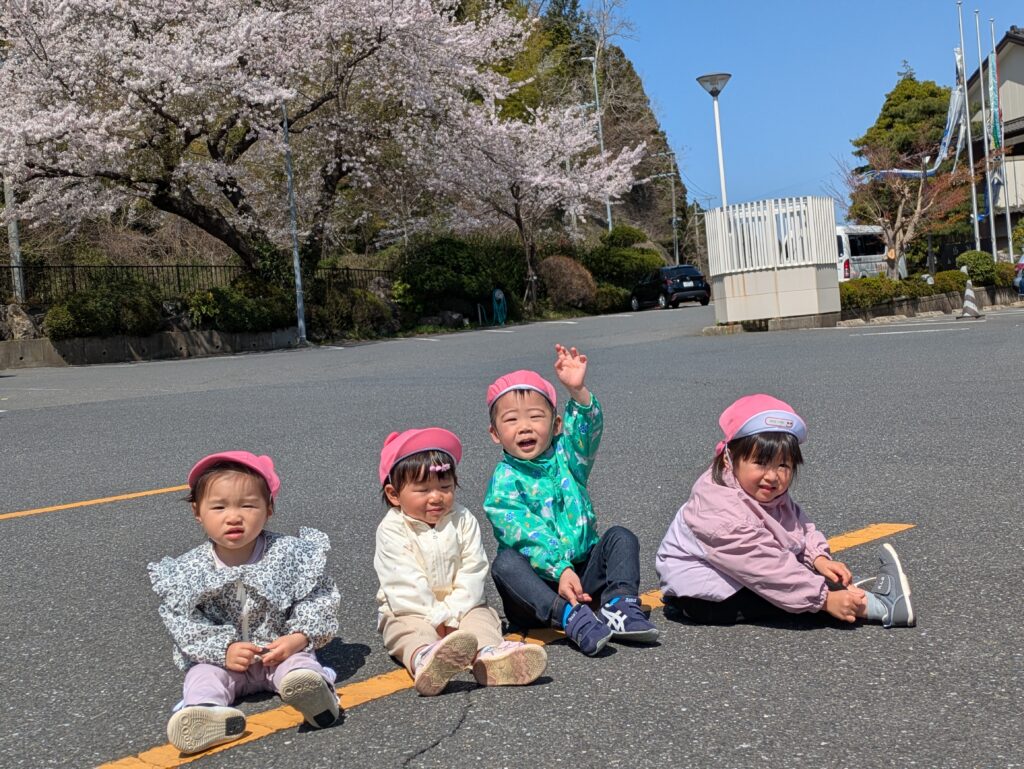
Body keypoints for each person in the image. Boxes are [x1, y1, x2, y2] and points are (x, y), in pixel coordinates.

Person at [656, 394, 915, 628]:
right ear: (729, 458)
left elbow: (797, 524)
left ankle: (853, 591)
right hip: (702, 596)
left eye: (783, 465)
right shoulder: (721, 512)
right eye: (760, 463)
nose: (772, 476)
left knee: (805, 579)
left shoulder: (757, 489)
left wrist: (818, 558)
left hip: (735, 572)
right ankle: (882, 607)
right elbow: (768, 571)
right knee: (787, 597)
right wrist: (825, 600)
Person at [148, 452, 341, 755]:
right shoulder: (189, 570)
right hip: (224, 661)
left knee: (300, 665)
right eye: (219, 507)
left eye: (248, 505)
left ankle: (315, 695)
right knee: (202, 676)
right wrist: (221, 650)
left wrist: (299, 637)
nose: (234, 516)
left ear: (269, 509)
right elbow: (183, 622)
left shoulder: (288, 554)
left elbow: (317, 597)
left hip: (278, 651)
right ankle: (205, 712)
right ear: (198, 512)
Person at [484, 345, 659, 657]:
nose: (524, 426)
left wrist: (577, 392)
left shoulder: (568, 458)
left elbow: (586, 435)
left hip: (582, 573)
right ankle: (569, 617)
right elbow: (527, 534)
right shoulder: (504, 483)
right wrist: (560, 569)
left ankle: (619, 605)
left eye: (536, 417)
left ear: (556, 425)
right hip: (539, 589)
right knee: (506, 564)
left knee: (620, 537)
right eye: (511, 420)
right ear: (496, 433)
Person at [375, 427, 547, 696]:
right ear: (394, 494)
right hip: (411, 608)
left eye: (445, 487)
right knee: (406, 629)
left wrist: (455, 613)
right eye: (423, 490)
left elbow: (473, 568)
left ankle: (487, 656)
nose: (436, 496)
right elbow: (403, 582)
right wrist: (436, 618)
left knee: (481, 617)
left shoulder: (463, 519)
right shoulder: (392, 529)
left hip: (461, 604)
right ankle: (425, 658)